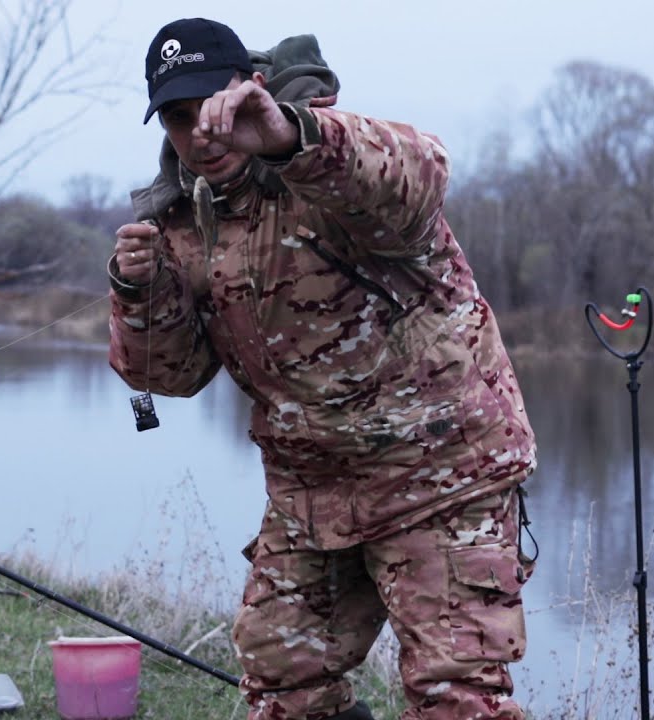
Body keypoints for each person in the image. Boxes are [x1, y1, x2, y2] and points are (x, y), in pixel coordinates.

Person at [108, 17, 538, 720]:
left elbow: (424, 173)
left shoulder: (329, 168)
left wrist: (285, 135)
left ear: (249, 91)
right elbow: (171, 375)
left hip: (439, 473)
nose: (199, 133)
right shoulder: (183, 225)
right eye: (178, 118)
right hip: (313, 491)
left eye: (210, 106)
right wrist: (140, 291)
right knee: (282, 683)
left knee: (457, 700)